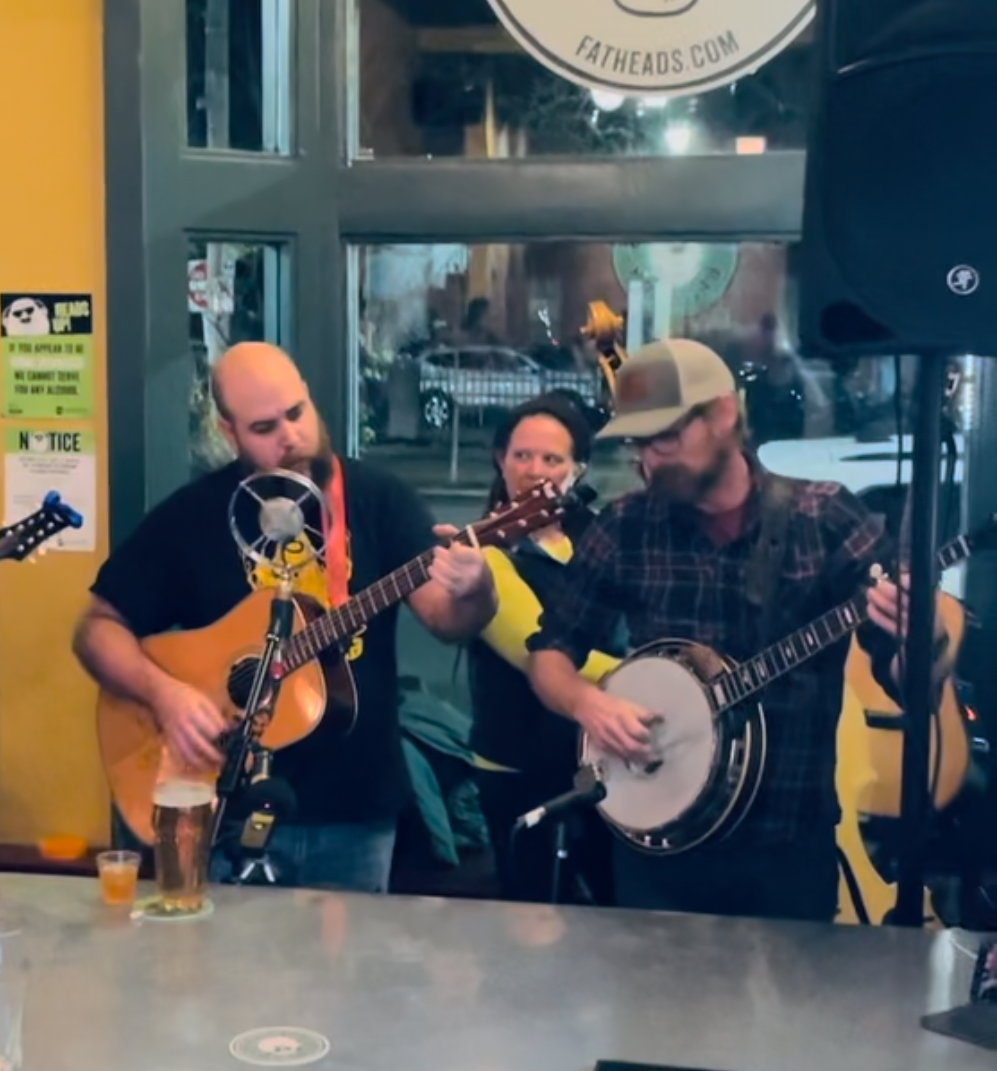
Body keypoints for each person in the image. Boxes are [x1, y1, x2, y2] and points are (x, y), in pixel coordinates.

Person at [526, 338, 948, 922]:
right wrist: (588, 705)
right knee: (656, 1013)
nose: (652, 458)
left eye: (667, 437)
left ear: (724, 413)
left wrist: (914, 634)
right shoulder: (626, 526)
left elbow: (908, 678)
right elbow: (550, 652)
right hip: (659, 846)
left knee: (788, 1013)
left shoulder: (822, 519)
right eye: (640, 443)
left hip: (785, 849)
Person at [74, 341, 496, 894]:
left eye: (297, 414)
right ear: (230, 432)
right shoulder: (196, 515)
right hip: (224, 808)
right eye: (264, 427)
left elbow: (448, 621)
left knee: (340, 977)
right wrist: (166, 696)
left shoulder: (379, 501)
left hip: (355, 810)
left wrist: (479, 589)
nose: (289, 437)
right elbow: (95, 630)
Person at [467, 395, 618, 904]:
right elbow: (537, 650)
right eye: (522, 456)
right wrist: (663, 682)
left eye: (552, 460)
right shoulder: (484, 554)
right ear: (499, 460)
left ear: (578, 468)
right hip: (520, 769)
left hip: (607, 763)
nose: (535, 471)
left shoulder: (603, 536)